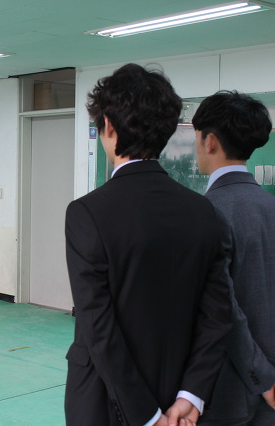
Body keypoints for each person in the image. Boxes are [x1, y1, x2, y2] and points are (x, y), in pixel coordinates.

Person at [64, 63, 232, 425]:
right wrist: (191, 395)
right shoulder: (203, 211)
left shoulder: (88, 213)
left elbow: (98, 325)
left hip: (104, 401)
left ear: (108, 125)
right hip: (179, 397)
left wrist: (148, 415)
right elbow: (218, 315)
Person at [192, 91, 275, 426]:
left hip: (230, 392)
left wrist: (263, 377)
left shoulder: (206, 212)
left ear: (210, 141)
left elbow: (221, 307)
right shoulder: (270, 207)